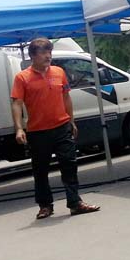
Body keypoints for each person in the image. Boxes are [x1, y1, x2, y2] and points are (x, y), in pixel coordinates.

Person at [12, 38, 100, 220]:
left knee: (69, 165)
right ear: (33, 56)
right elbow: (17, 103)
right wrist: (19, 128)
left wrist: (71, 121)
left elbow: (66, 97)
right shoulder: (22, 77)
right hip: (37, 132)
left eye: (49, 52)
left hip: (61, 127)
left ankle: (75, 203)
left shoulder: (59, 72)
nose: (48, 56)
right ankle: (45, 206)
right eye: (43, 53)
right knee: (40, 170)